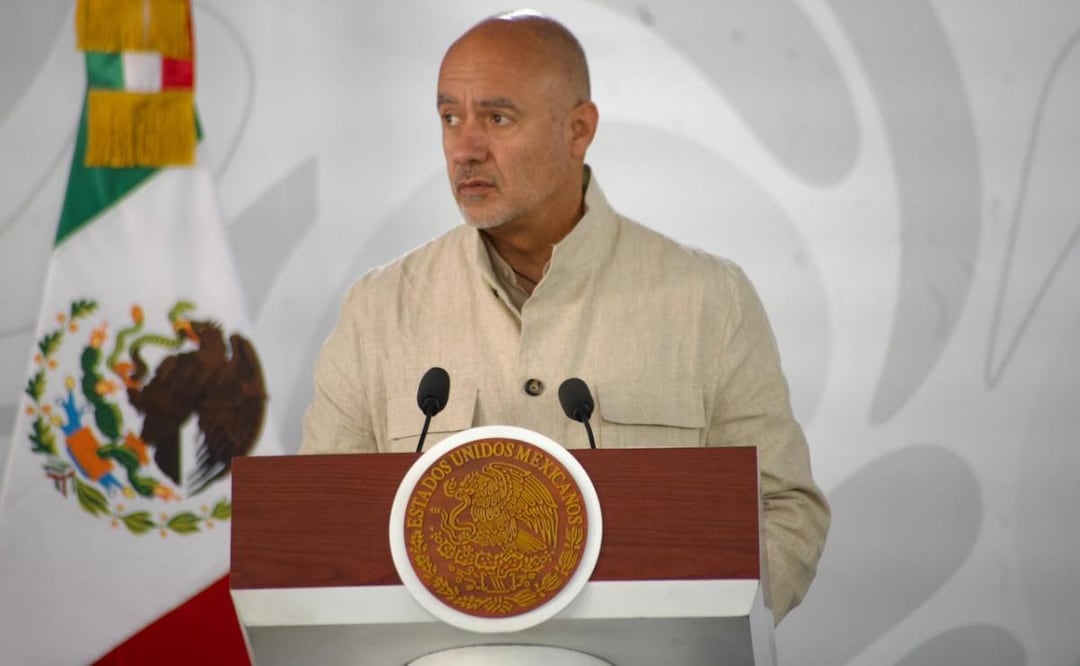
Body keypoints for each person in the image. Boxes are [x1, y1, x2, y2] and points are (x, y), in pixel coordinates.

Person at [300, 11, 829, 623]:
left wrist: (700, 626)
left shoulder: (709, 300)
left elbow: (784, 509)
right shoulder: (378, 310)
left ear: (579, 129)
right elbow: (324, 525)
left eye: (497, 118)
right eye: (450, 118)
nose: (465, 148)